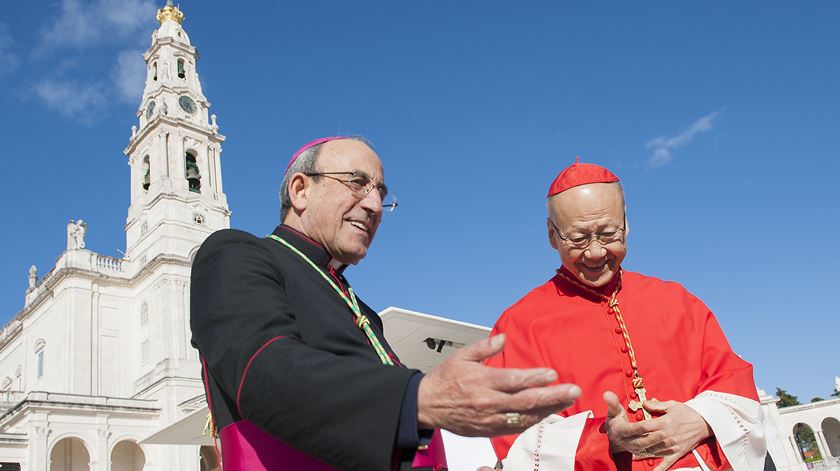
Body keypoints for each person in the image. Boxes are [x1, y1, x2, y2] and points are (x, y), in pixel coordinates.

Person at [190, 136, 582, 471]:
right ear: (300, 190)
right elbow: (263, 374)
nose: (375, 206)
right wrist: (420, 397)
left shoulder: (360, 308)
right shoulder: (236, 253)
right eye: (357, 183)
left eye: (380, 192)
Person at [484, 161, 766, 470]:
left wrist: (701, 419)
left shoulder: (678, 301)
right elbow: (508, 423)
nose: (595, 252)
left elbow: (735, 383)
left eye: (608, 234)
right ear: (552, 235)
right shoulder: (516, 326)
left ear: (626, 224)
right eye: (578, 238)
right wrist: (604, 440)